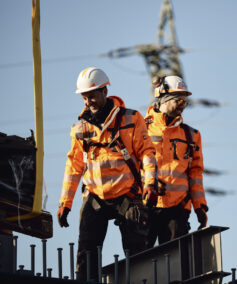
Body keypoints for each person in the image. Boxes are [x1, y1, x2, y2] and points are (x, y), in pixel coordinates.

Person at [57, 67, 157, 281]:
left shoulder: (131, 118)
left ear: (104, 91)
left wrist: (150, 184)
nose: (88, 102)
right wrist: (65, 203)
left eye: (91, 96)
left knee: (137, 251)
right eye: (84, 97)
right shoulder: (80, 128)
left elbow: (147, 152)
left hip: (127, 194)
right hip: (95, 196)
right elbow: (73, 167)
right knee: (86, 254)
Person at [144, 75, 208, 248]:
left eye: (185, 102)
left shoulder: (192, 135)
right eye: (178, 101)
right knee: (139, 259)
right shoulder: (141, 129)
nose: (183, 106)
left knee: (176, 263)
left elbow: (195, 174)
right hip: (146, 206)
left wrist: (200, 206)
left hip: (178, 209)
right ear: (163, 99)